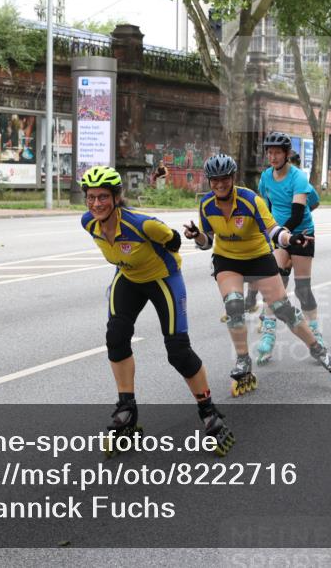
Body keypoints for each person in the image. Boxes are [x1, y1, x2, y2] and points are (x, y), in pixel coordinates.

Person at [79, 166, 234, 456]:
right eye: (90, 197)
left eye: (103, 197)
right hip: (129, 279)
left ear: (116, 198)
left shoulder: (142, 224)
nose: (96, 204)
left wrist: (180, 246)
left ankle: (209, 412)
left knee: (178, 351)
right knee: (116, 337)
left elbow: (172, 240)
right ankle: (126, 408)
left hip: (163, 279)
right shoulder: (89, 223)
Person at [183, 153, 331, 392]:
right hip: (227, 259)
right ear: (209, 181)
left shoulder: (251, 200)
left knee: (283, 310)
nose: (220, 184)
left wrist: (290, 238)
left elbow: (272, 230)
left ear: (232, 177)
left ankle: (319, 350)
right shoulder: (207, 204)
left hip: (258, 257)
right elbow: (207, 240)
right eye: (214, 180)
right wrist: (196, 235)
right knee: (234, 305)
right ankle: (243, 360)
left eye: (225, 179)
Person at [253, 132, 323, 364]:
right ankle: (268, 334)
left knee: (302, 289)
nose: (272, 157)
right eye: (269, 152)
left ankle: (316, 333)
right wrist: (275, 233)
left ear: (287, 154)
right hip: (280, 236)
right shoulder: (265, 177)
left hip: (301, 234)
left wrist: (283, 233)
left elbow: (299, 212)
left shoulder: (298, 177)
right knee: (274, 285)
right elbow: (267, 205)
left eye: (277, 152)